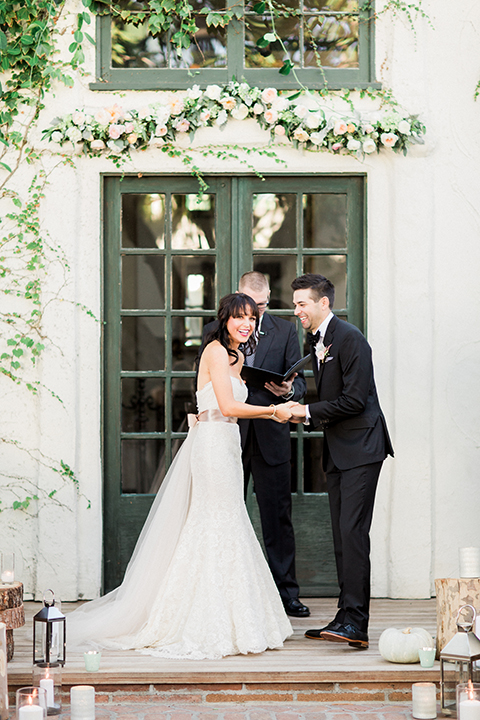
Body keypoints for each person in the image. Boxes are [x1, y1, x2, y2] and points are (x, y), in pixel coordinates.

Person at [66, 293, 294, 660]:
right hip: (213, 444)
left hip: (226, 442)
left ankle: (235, 616)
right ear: (225, 320)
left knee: (227, 519)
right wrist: (274, 412)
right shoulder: (217, 351)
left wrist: (277, 398)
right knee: (216, 521)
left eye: (251, 317)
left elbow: (232, 405)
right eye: (239, 317)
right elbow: (227, 405)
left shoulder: (235, 357)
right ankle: (199, 618)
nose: (247, 324)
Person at [290, 273, 394, 649]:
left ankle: (357, 623)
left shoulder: (350, 339)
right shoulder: (317, 339)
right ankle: (344, 615)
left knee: (352, 535)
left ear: (324, 303)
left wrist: (303, 412)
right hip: (339, 450)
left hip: (363, 449)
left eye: (302, 303)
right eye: (296, 302)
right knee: (341, 536)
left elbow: (354, 400)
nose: (297, 309)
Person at [201, 272, 309, 619]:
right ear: (236, 301)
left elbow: (301, 383)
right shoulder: (213, 337)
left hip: (270, 438)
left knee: (277, 516)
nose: (253, 317)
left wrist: (287, 392)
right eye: (247, 309)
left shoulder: (285, 331)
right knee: (222, 516)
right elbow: (209, 390)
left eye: (260, 308)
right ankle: (222, 594)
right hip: (227, 436)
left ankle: (285, 594)